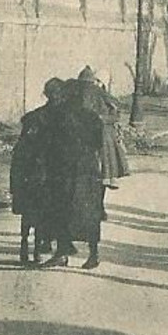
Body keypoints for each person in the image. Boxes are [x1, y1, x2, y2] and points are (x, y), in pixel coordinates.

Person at [42, 80, 106, 269]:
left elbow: (51, 144)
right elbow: (98, 142)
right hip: (88, 170)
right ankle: (93, 255)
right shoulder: (92, 117)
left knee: (62, 210)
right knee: (90, 213)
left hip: (65, 171)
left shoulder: (59, 116)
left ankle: (62, 252)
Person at [12, 78, 64, 264]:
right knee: (46, 210)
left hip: (30, 171)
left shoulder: (34, 116)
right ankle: (40, 250)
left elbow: (21, 148)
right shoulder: (61, 117)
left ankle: (25, 247)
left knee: (29, 212)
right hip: (49, 172)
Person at [75, 66, 131, 189]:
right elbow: (117, 107)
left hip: (98, 127)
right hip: (97, 126)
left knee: (106, 146)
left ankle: (109, 176)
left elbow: (116, 108)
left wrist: (104, 118)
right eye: (96, 81)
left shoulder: (84, 92)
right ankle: (108, 176)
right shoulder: (96, 92)